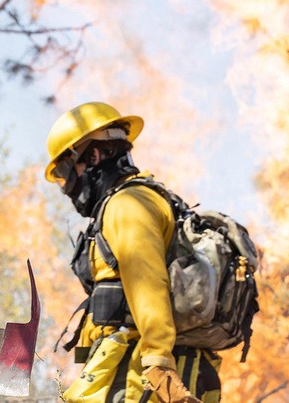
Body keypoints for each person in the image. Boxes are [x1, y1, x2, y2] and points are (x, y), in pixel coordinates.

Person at [44, 102, 220, 403]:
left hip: (142, 373)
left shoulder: (127, 205)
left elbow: (147, 283)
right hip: (138, 365)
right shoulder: (139, 198)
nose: (67, 185)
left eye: (64, 170)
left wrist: (159, 364)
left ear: (94, 155)